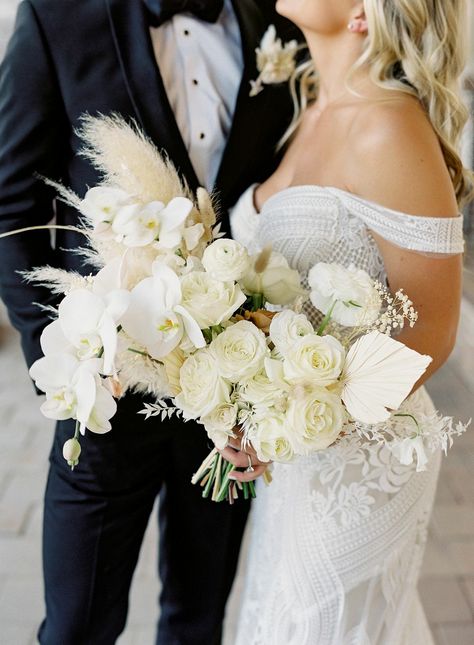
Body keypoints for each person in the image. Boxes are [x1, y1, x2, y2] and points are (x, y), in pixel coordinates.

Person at [0, 1, 301, 643]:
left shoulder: (274, 24)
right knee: (76, 627)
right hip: (108, 397)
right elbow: (11, 205)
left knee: (198, 619)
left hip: (229, 395)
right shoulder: (59, 17)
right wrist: (59, 358)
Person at [225, 1, 469, 643]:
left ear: (368, 11)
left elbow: (434, 333)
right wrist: (246, 406)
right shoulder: (305, 112)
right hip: (297, 462)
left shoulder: (391, 126)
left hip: (357, 461)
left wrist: (297, 419)